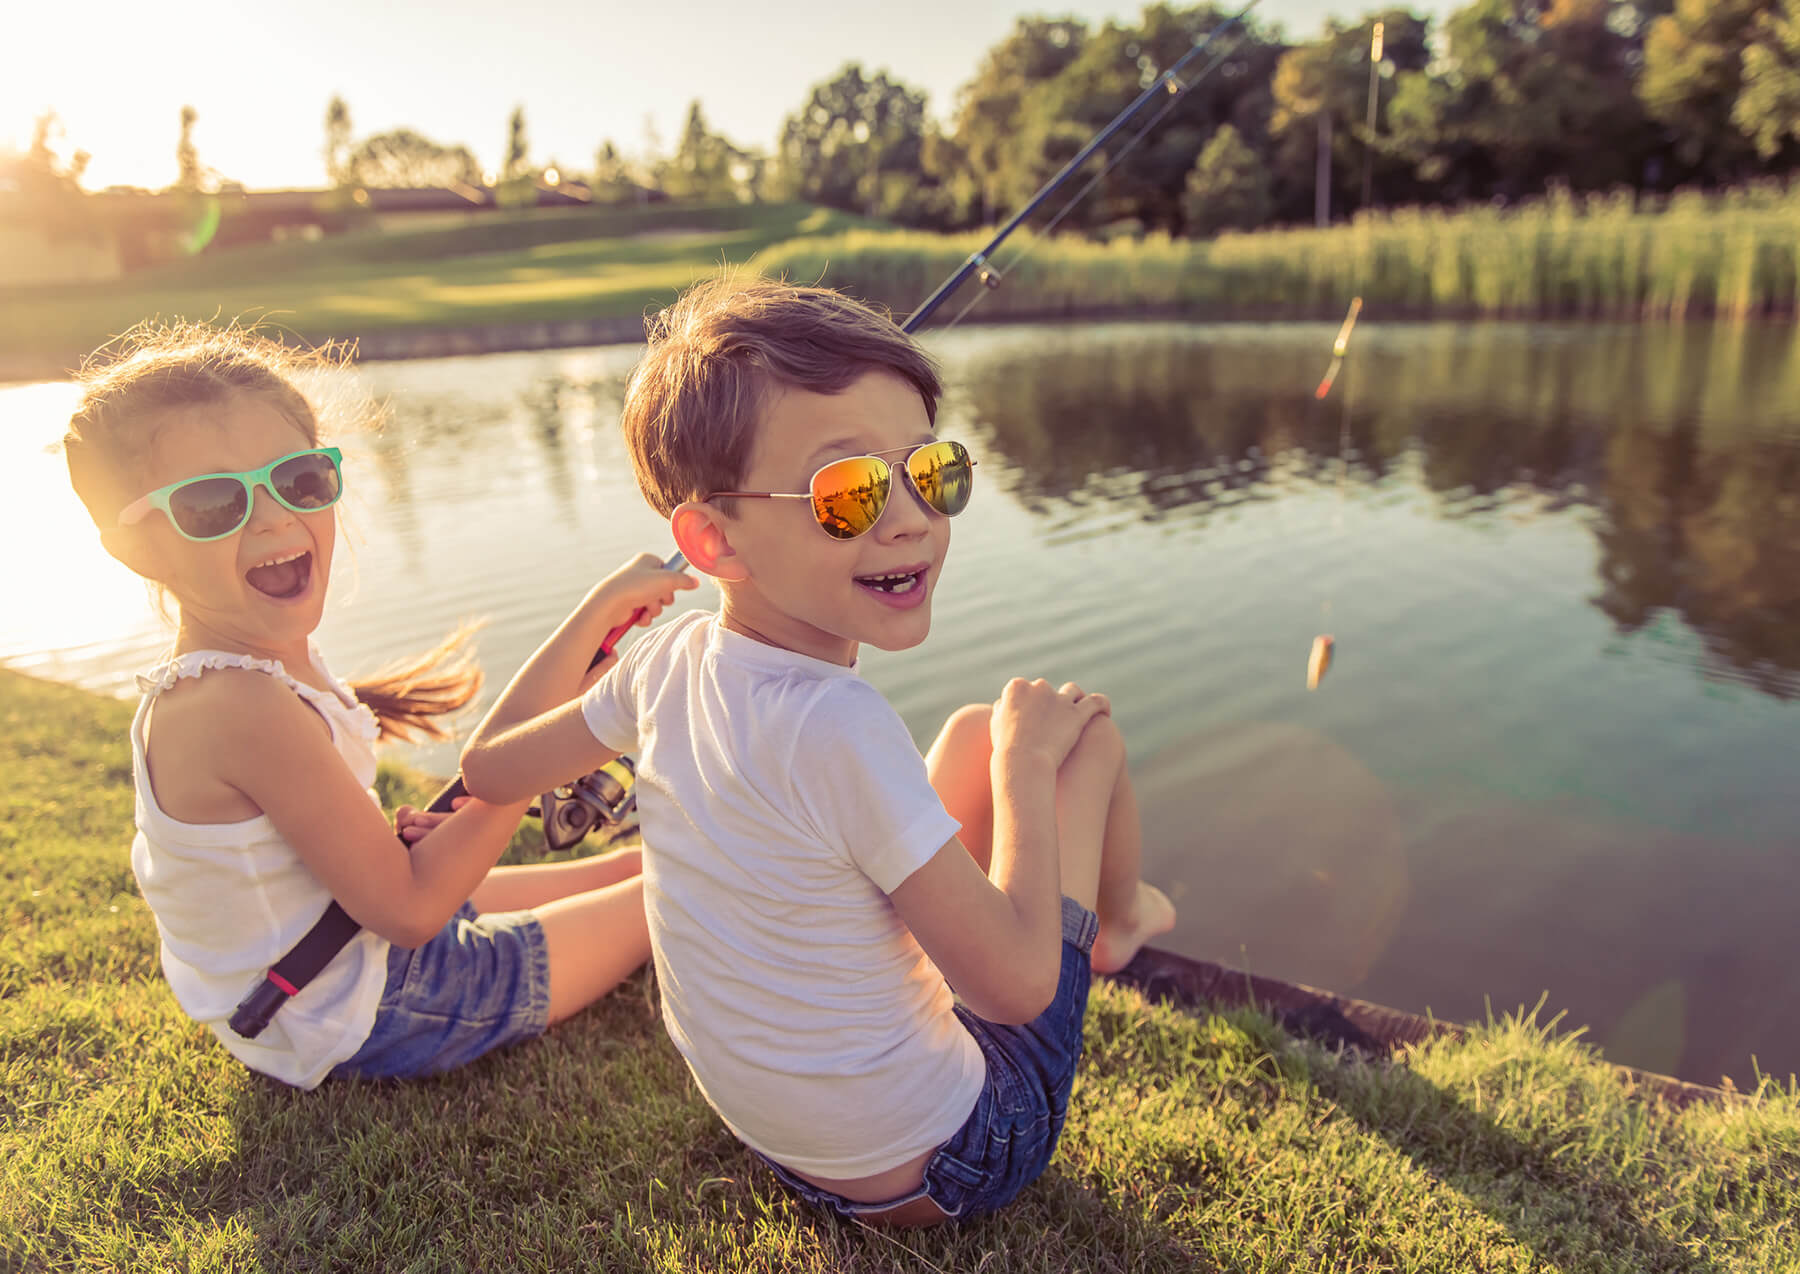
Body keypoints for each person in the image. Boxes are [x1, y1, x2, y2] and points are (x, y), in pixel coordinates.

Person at [460, 273, 1175, 1225]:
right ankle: (1118, 922)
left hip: (782, 1140)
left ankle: (1111, 914)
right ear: (713, 541)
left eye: (931, 470)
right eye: (850, 492)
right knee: (1079, 739)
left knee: (964, 730)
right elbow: (1010, 991)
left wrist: (597, 613)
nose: (913, 516)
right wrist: (1023, 768)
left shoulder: (661, 662)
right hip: (946, 1162)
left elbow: (489, 769)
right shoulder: (837, 725)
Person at [63, 322, 685, 1089]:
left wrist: (595, 613)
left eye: (297, 480)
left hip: (341, 951)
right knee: (682, 887)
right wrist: (526, 772)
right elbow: (414, 908)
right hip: (368, 1008)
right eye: (211, 502)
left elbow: (465, 788)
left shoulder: (261, 663)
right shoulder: (235, 705)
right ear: (134, 547)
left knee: (649, 862)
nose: (271, 519)